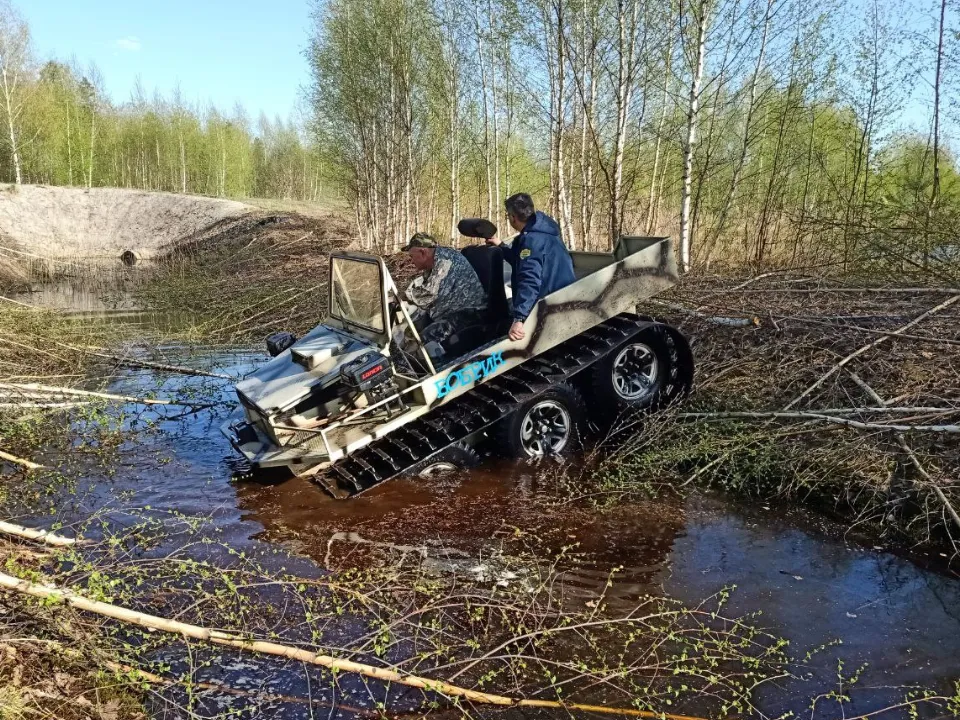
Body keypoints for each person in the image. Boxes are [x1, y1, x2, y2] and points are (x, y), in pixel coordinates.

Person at [486, 193, 576, 341]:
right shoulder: (541, 232)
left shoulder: (532, 241)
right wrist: (501, 245)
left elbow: (530, 280)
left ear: (512, 217)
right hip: (564, 295)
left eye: (508, 215)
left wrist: (519, 319)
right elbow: (520, 259)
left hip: (551, 307)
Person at [401, 232, 488, 356]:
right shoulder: (433, 262)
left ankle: (424, 369)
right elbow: (427, 291)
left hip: (469, 312)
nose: (411, 261)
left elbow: (429, 295)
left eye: (412, 256)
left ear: (423, 252)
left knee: (423, 339)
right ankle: (404, 358)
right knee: (411, 330)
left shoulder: (445, 261)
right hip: (451, 309)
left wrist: (402, 296)